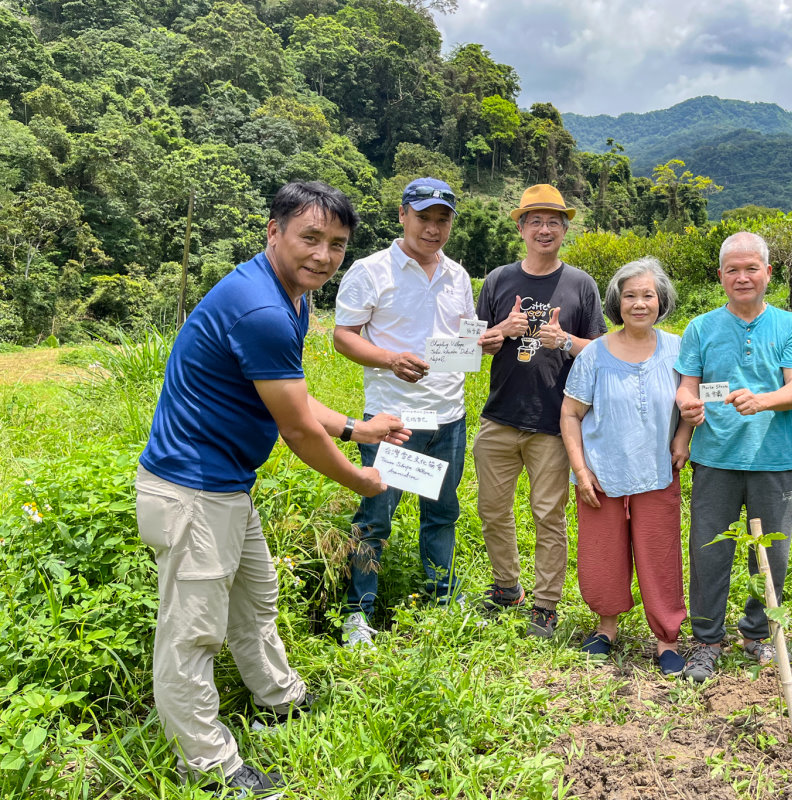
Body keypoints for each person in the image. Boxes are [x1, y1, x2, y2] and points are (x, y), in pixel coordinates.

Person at [135, 182, 409, 797]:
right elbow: (295, 429)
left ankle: (278, 698)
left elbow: (292, 394)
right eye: (310, 238)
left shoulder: (289, 296)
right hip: (192, 492)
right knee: (192, 633)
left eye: (336, 244)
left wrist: (357, 426)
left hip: (225, 488)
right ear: (273, 231)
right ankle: (207, 764)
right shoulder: (261, 309)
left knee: (257, 598)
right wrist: (359, 474)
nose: (323, 255)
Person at [334, 178, 475, 647]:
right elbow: (344, 335)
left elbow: (460, 341)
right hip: (393, 422)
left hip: (448, 417)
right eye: (424, 218)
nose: (433, 229)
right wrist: (389, 359)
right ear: (402, 216)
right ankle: (358, 613)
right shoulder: (371, 271)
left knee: (442, 514)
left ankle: (441, 600)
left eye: (442, 220)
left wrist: (482, 343)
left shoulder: (457, 275)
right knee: (374, 518)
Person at [675, 231, 792, 682]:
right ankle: (707, 641)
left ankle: (757, 633)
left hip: (773, 458)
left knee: (773, 554)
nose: (742, 276)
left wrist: (764, 400)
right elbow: (687, 384)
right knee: (709, 551)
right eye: (732, 269)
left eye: (751, 267)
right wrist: (686, 404)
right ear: (720, 276)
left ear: (768, 273)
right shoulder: (701, 327)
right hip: (714, 457)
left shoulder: (789, 325)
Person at [474, 184, 608, 637]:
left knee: (548, 515)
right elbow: (475, 348)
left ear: (565, 229)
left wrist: (564, 341)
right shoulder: (497, 280)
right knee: (492, 509)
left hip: (553, 421)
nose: (544, 229)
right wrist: (500, 331)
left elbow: (603, 350)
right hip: (498, 417)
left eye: (553, 221)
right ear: (521, 228)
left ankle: (546, 604)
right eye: (535, 221)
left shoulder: (580, 285)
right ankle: (506, 587)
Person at [560, 257, 692, 676]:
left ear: (661, 301)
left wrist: (682, 439)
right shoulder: (594, 354)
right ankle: (606, 629)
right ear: (616, 302)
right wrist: (581, 471)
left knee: (660, 554)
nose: (639, 303)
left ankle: (666, 640)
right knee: (602, 554)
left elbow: (690, 403)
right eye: (630, 296)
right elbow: (570, 415)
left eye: (647, 295)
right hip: (602, 473)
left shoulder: (678, 349)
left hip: (657, 471)